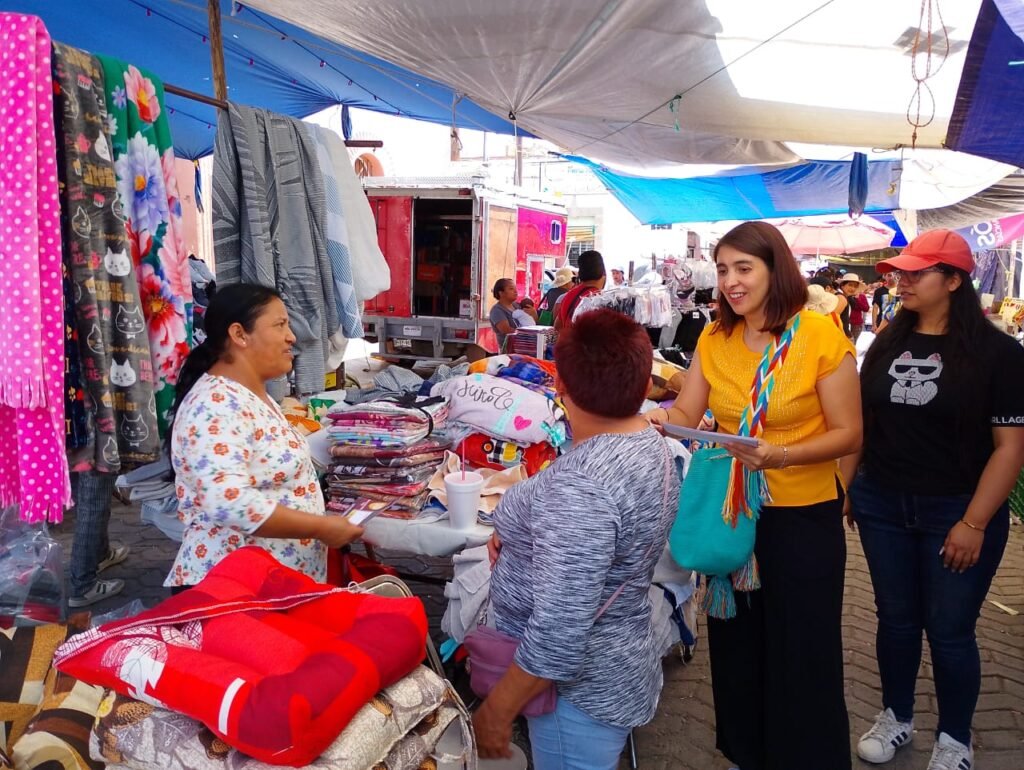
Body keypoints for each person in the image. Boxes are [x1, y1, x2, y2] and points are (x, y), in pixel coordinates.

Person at [647, 221, 861, 770]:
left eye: (744, 268)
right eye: (723, 270)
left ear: (775, 269)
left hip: (802, 520)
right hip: (732, 514)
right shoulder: (715, 339)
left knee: (802, 651)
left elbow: (850, 434)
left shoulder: (817, 336)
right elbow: (685, 416)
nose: (731, 282)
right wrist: (648, 418)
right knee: (738, 647)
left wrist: (779, 456)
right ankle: (750, 755)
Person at [843, 229, 1024, 770]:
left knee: (949, 630)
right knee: (895, 620)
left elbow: (1010, 448)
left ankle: (955, 739)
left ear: (953, 280)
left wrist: (973, 522)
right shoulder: (887, 341)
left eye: (915, 273)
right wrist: (849, 489)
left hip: (958, 511)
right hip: (883, 504)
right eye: (899, 272)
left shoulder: (998, 354)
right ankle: (896, 716)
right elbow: (863, 426)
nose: (900, 282)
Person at [473, 309, 679, 769]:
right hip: (611, 662)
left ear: (560, 387)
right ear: (647, 388)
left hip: (579, 692)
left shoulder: (583, 486)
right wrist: (518, 533)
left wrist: (497, 711)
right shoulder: (648, 441)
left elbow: (559, 629)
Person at [164, 284, 363, 588]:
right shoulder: (214, 406)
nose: (291, 336)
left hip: (274, 586)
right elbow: (230, 502)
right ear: (239, 335)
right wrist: (321, 527)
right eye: (280, 324)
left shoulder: (253, 395)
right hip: (234, 591)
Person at [67, 473, 130, 607]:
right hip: (90, 453)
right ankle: (84, 585)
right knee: (94, 501)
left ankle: (100, 555)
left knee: (81, 489)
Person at [554, 250, 606, 331]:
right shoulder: (600, 299)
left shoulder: (568, 295)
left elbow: (557, 326)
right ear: (603, 273)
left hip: (567, 342)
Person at [489, 278, 520, 351]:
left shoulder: (517, 306)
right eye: (511, 289)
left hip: (522, 350)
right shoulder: (497, 310)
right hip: (508, 352)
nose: (516, 291)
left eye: (515, 288)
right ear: (501, 293)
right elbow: (506, 330)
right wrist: (528, 334)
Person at [840, 273, 869, 342]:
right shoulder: (840, 297)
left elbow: (866, 308)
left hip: (856, 323)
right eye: (850, 285)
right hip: (842, 327)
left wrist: (857, 299)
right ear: (842, 286)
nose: (852, 288)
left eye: (855, 286)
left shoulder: (861, 296)